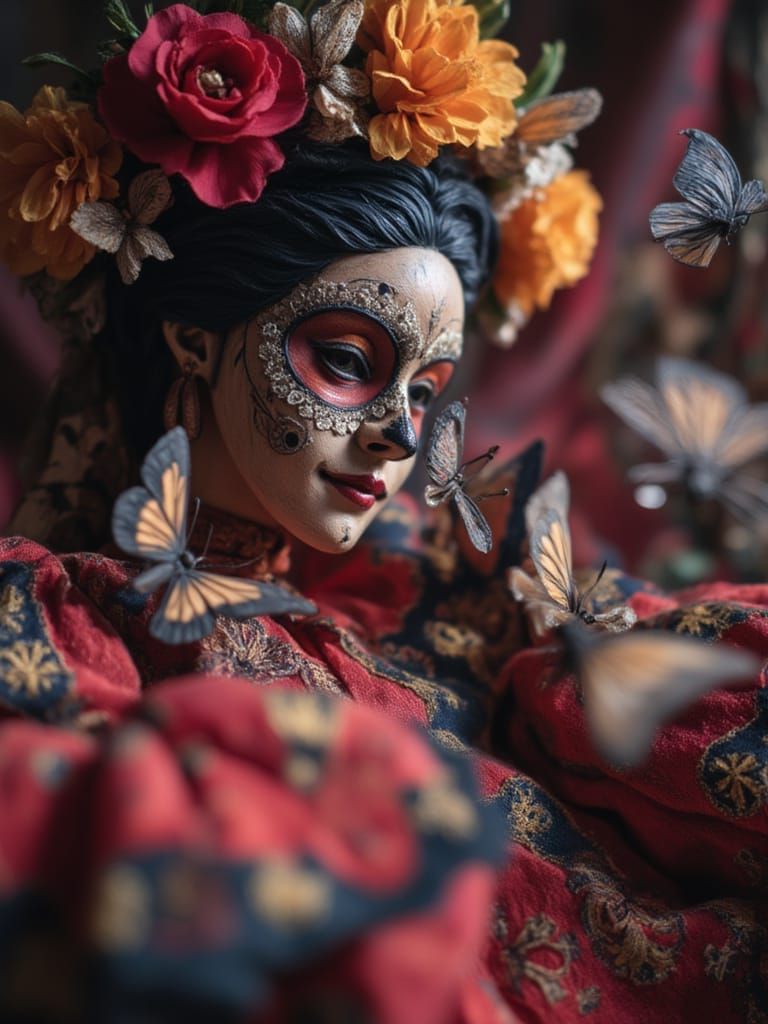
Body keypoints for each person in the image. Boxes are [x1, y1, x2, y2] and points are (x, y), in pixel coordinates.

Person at [0, 2, 765, 1021]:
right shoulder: (75, 624)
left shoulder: (438, 574)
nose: (402, 438)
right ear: (193, 339)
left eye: (426, 390)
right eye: (349, 363)